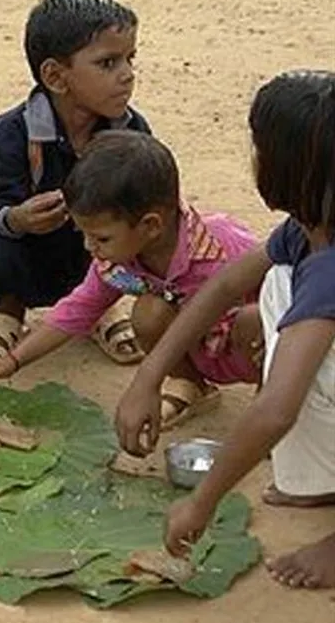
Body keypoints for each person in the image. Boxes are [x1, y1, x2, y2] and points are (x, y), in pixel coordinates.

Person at [114, 70, 334, 589]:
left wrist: (200, 501)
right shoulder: (312, 226)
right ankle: (322, 478)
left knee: (300, 364)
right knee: (276, 289)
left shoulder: (329, 267)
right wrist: (148, 378)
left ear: (289, 169)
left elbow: (277, 408)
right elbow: (222, 288)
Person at [0, 130, 260, 429]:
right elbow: (77, 309)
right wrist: (13, 360)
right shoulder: (119, 262)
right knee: (149, 312)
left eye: (100, 237)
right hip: (196, 350)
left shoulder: (224, 245)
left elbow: (285, 295)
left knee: (255, 319)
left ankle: (273, 408)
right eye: (83, 234)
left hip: (253, 350)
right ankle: (190, 384)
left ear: (150, 226)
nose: (88, 246)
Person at [0, 0, 152, 367]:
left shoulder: (132, 133)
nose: (127, 75)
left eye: (129, 59)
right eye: (108, 63)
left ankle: (102, 307)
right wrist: (19, 218)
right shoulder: (10, 132)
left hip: (94, 255)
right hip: (32, 255)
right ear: (55, 76)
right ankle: (9, 312)